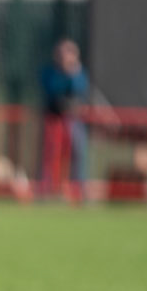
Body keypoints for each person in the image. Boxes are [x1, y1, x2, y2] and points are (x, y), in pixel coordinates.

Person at [40, 38, 89, 196]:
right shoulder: (50, 72)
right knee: (51, 154)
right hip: (53, 119)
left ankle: (77, 190)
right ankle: (48, 189)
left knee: (78, 152)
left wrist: (72, 73)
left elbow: (80, 89)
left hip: (73, 120)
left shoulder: (78, 73)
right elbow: (52, 90)